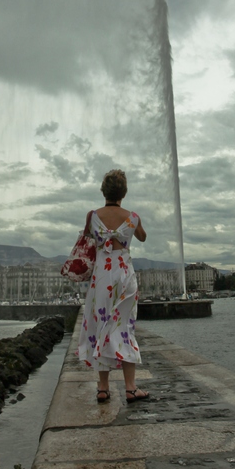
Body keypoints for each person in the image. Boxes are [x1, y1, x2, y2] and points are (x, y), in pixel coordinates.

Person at [77, 168, 149, 404]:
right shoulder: (133, 217)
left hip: (102, 276)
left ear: (103, 191)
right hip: (124, 275)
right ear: (124, 193)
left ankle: (103, 388)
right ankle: (130, 388)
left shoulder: (92, 216)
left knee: (101, 325)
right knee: (125, 326)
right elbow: (142, 237)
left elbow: (88, 236)